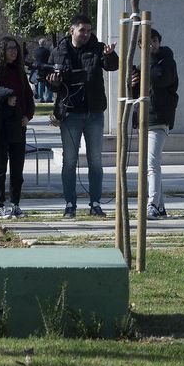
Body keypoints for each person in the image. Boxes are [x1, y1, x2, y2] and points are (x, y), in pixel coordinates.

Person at [48, 16, 119, 219]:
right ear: (72, 30)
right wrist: (52, 82)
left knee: (95, 160)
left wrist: (110, 55)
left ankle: (95, 203)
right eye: (82, 30)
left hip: (94, 112)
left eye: (89, 30)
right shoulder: (59, 51)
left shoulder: (98, 48)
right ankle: (70, 204)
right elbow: (50, 82)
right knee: (69, 161)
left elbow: (112, 66)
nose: (86, 34)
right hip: (70, 114)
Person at [0, 36, 36, 218]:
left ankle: (15, 203)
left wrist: (28, 116)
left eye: (15, 48)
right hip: (0, 127)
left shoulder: (20, 73)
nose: (13, 51)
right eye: (9, 48)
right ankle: (0, 203)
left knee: (17, 169)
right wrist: (5, 99)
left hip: (17, 128)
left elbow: (29, 98)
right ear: (1, 51)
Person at [134, 29, 179, 219]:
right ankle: (160, 206)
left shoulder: (166, 61)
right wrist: (132, 83)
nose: (151, 44)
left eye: (154, 40)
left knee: (151, 163)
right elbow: (135, 95)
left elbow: (161, 78)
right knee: (150, 163)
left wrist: (144, 67)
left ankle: (152, 203)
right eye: (146, 42)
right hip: (143, 119)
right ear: (140, 46)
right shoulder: (140, 66)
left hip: (160, 119)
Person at [31, 37, 54, 104]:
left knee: (40, 83)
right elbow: (49, 60)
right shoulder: (46, 51)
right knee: (48, 83)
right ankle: (48, 98)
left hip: (38, 69)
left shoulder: (36, 51)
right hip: (45, 68)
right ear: (44, 43)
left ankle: (40, 98)